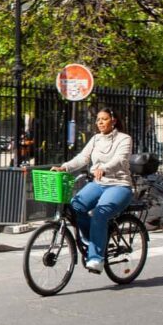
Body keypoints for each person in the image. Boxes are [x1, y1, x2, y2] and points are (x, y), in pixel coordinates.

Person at [52, 107, 132, 273]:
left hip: (119, 185)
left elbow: (120, 159)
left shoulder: (124, 139)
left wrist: (104, 168)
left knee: (99, 213)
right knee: (75, 206)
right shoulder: (96, 139)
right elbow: (82, 158)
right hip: (98, 183)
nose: (100, 122)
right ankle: (94, 240)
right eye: (98, 120)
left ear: (113, 120)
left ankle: (96, 258)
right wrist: (64, 168)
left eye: (104, 119)